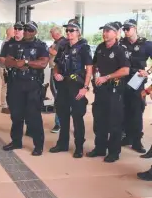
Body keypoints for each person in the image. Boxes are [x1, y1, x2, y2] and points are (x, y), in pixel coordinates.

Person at [2, 21, 49, 156]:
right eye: (25, 29)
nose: (27, 32)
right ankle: (16, 141)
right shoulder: (15, 45)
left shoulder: (40, 45)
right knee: (16, 115)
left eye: (30, 30)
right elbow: (7, 61)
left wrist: (27, 62)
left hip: (32, 85)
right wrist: (18, 64)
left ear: (35, 32)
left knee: (33, 116)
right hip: (16, 84)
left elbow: (43, 62)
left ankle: (38, 145)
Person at [87, 22, 130, 163]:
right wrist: (94, 77)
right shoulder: (100, 47)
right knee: (99, 121)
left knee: (114, 123)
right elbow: (93, 65)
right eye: (104, 30)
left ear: (116, 33)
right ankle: (99, 148)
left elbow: (125, 70)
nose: (105, 33)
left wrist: (107, 77)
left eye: (108, 31)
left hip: (114, 90)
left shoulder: (120, 49)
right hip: (101, 91)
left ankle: (114, 152)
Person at [50, 20, 93, 158]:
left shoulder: (84, 47)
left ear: (78, 32)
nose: (68, 33)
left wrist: (85, 87)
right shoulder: (63, 46)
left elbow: (89, 69)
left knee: (77, 117)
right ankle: (62, 143)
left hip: (77, 86)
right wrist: (56, 73)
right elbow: (56, 63)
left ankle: (79, 146)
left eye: (72, 30)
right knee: (63, 115)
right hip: (63, 86)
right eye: (67, 31)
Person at [119, 19, 152, 154]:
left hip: (137, 80)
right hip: (122, 79)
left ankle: (137, 141)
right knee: (123, 110)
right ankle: (127, 137)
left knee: (137, 111)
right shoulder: (121, 44)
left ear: (135, 28)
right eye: (124, 29)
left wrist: (148, 72)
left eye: (128, 28)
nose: (126, 31)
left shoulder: (146, 44)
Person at [48, 26, 66, 133]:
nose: (51, 35)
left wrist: (47, 49)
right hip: (54, 70)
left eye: (52, 33)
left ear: (57, 33)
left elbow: (55, 53)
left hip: (57, 71)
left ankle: (59, 123)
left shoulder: (61, 42)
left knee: (58, 97)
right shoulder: (57, 42)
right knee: (57, 96)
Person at [0, 26, 15, 114]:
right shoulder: (6, 43)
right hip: (5, 69)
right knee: (5, 87)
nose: (15, 32)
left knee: (9, 87)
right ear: (10, 33)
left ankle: (8, 105)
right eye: (14, 31)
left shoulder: (9, 42)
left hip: (8, 68)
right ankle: (4, 106)